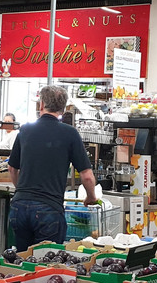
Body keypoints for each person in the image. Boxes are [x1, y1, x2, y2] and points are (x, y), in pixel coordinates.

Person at [8, 85, 96, 252]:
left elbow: (12, 168)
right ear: (63, 108)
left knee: (20, 261)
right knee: (46, 265)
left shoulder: (25, 130)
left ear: (41, 104)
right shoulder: (70, 133)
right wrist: (90, 197)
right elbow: (87, 177)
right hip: (48, 210)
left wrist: (22, 191)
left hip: (19, 207)